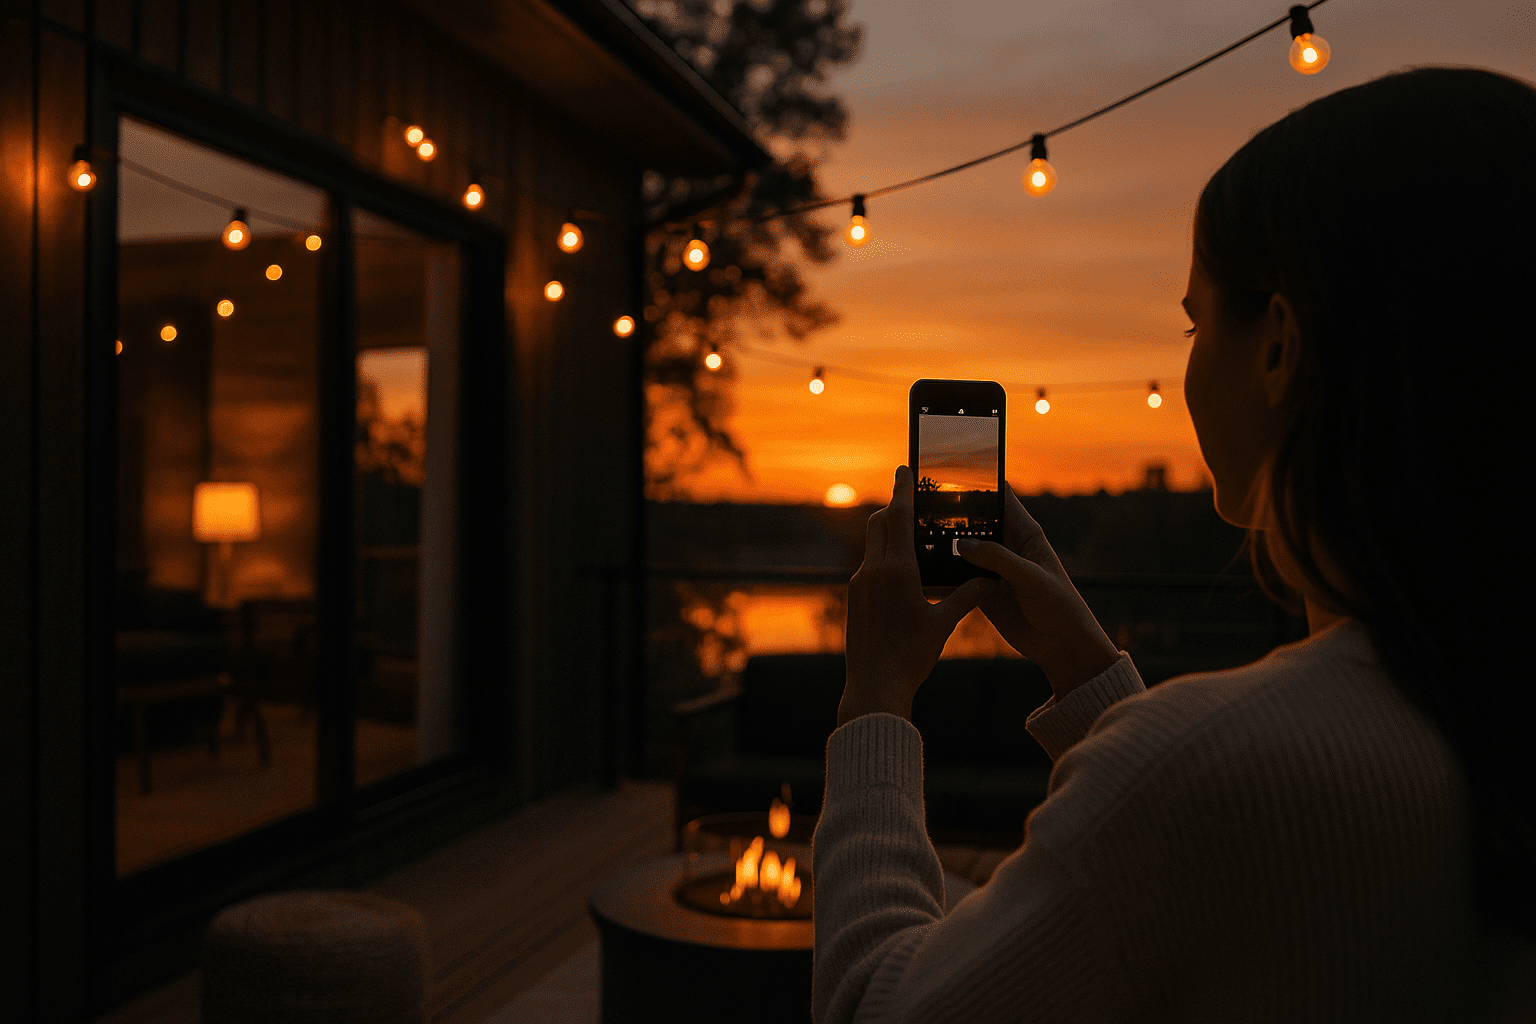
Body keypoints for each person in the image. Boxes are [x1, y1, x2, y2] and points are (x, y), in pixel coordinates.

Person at [812, 66, 1536, 1024]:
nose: (1188, 362)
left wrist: (872, 702)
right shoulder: (1477, 706)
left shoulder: (1206, 774)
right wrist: (1091, 675)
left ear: (1280, 346)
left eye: (1195, 321)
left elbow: (874, 1004)